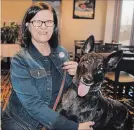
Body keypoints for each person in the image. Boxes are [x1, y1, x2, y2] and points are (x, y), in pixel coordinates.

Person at [2, 2, 95, 130]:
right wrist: (74, 127)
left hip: (53, 120)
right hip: (21, 123)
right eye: (38, 22)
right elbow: (33, 105)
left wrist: (77, 76)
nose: (43, 26)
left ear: (54, 26)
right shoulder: (21, 60)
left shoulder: (61, 52)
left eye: (49, 22)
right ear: (28, 25)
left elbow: (71, 91)